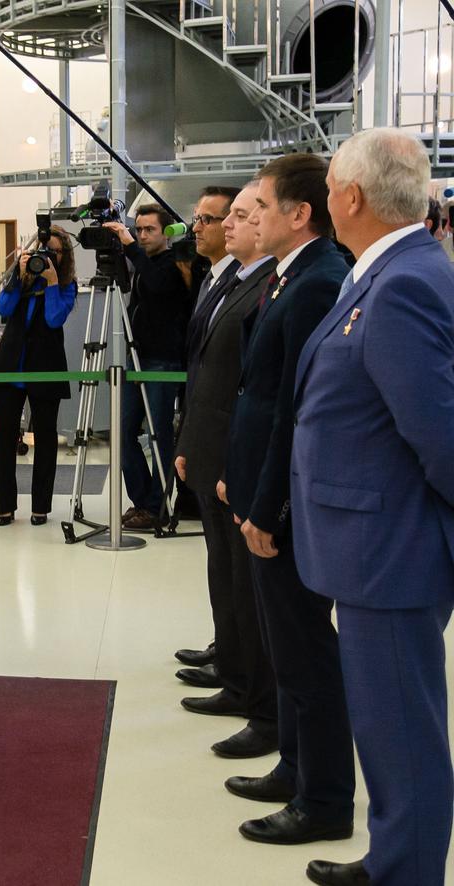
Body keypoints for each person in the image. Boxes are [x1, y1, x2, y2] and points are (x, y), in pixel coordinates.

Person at [295, 129, 454, 886]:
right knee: (386, 730)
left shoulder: (406, 281)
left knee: (402, 734)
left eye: (328, 186)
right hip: (377, 545)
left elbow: (442, 436)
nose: (328, 198)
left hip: (392, 550)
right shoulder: (387, 270)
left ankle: (408, 872)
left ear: (351, 197)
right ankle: (395, 856)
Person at [216, 153, 356, 849]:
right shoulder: (288, 278)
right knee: (287, 647)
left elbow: (291, 411)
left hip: (288, 505)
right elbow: (256, 394)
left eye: (262, 207)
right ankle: (296, 768)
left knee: (306, 656)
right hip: (261, 489)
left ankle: (325, 798)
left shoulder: (317, 283)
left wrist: (265, 506)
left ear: (300, 214)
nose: (253, 218)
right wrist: (238, 485)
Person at [173, 184, 279, 760]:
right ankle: (231, 662)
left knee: (244, 577)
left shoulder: (269, 284)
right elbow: (203, 372)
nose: (227, 225)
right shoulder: (230, 281)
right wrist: (189, 439)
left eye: (239, 215)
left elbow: (252, 387)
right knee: (224, 568)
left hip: (235, 453)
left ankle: (246, 684)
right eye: (225, 216)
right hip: (211, 445)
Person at [104, 205, 193, 530]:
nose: (141, 235)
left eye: (148, 230)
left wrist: (128, 246)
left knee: (159, 434)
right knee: (123, 431)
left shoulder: (172, 265)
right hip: (136, 359)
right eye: (138, 229)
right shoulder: (144, 264)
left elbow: (156, 286)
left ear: (165, 233)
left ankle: (157, 504)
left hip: (162, 360)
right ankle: (142, 500)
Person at [0, 226, 78, 526]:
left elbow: (54, 318)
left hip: (46, 367)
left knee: (46, 438)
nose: (48, 257)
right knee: (4, 439)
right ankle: (5, 506)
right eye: (43, 252)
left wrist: (51, 282)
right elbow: (3, 307)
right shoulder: (22, 280)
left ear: (64, 256)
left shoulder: (67, 284)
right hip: (10, 367)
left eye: (54, 252)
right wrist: (18, 273)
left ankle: (41, 506)